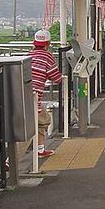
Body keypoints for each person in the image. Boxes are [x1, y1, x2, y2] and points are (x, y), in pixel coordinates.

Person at [30, 29, 62, 157]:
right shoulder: (47, 57)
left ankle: (40, 150)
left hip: (23, 94)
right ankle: (11, 160)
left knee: (41, 120)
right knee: (40, 122)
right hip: (34, 97)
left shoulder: (29, 55)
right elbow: (57, 78)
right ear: (48, 43)